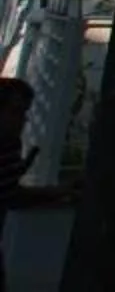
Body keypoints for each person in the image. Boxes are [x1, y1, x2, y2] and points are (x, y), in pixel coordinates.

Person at [0, 76, 35, 292]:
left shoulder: (11, 144)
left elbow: (9, 192)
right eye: (14, 112)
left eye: (23, 114)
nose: (21, 121)